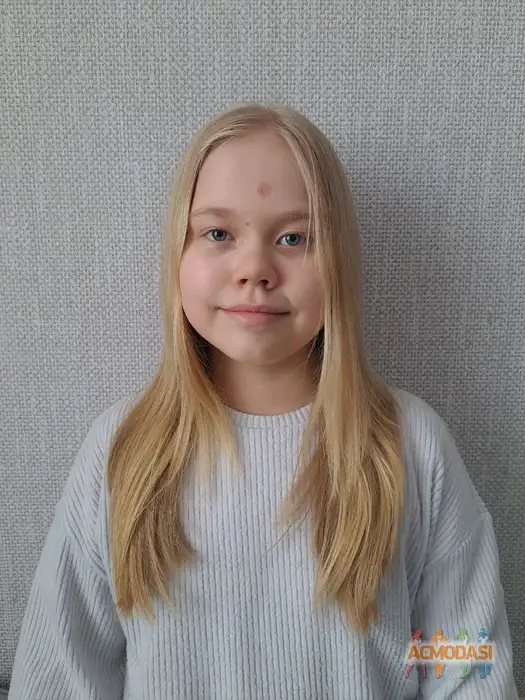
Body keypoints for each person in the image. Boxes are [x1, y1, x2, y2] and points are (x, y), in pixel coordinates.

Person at [9, 103, 519, 699]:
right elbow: (61, 673)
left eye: (294, 237)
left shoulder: (411, 446)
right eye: (218, 234)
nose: (255, 269)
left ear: (339, 260)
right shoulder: (121, 450)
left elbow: (466, 664)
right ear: (178, 254)